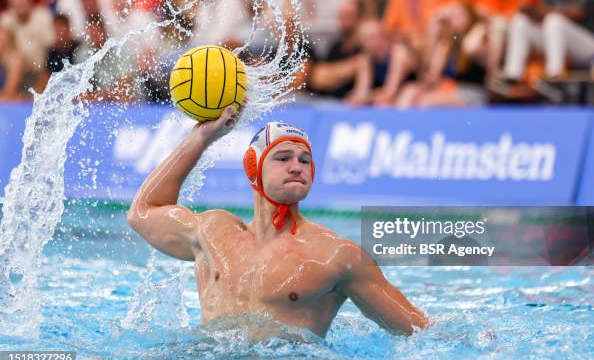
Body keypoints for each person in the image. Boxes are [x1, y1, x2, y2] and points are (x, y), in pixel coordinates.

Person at [127, 110, 430, 338]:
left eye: (305, 160)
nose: (297, 166)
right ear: (252, 167)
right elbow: (142, 212)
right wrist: (201, 137)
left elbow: (419, 333)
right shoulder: (213, 232)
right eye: (283, 158)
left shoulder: (337, 257)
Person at [502, 0, 594, 81]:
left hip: (592, 49)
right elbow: (543, 18)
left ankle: (554, 74)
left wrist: (541, 11)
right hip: (563, 46)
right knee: (520, 21)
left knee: (554, 21)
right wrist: (531, 12)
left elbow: (574, 13)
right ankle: (512, 75)